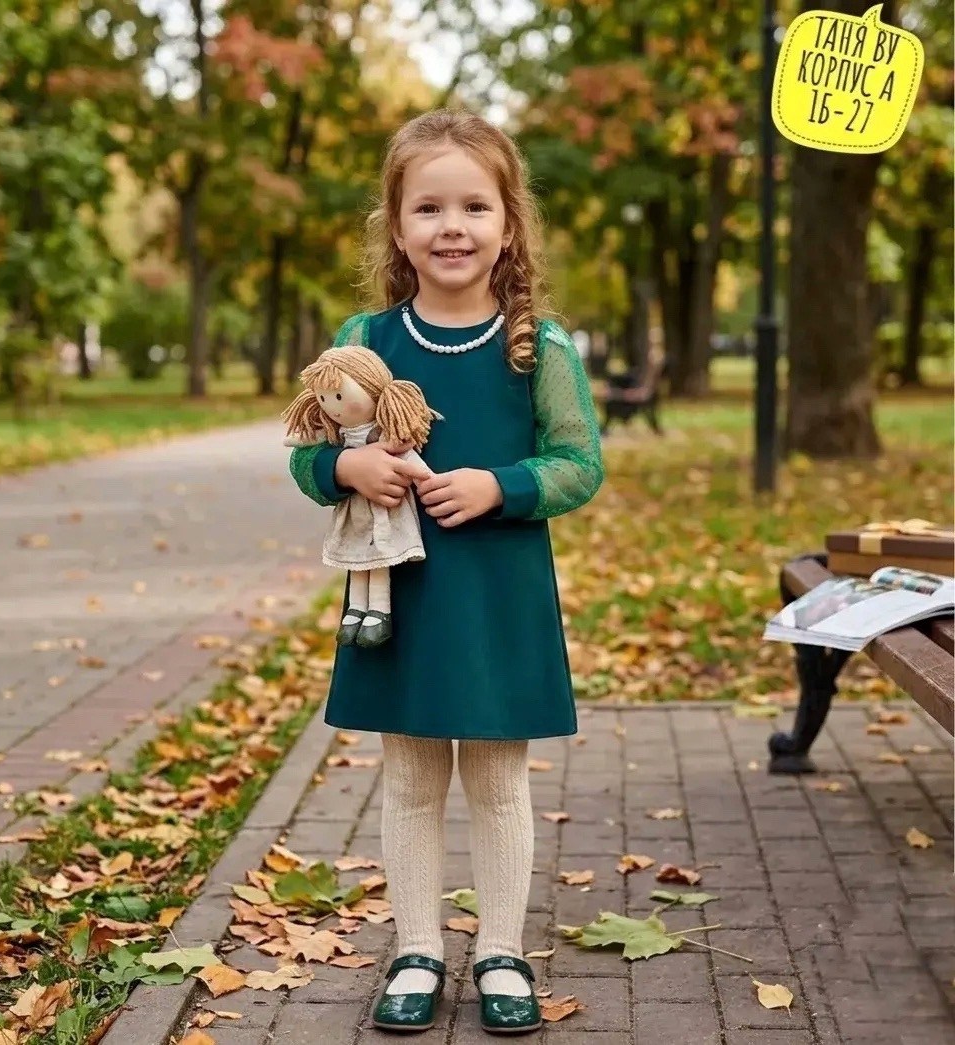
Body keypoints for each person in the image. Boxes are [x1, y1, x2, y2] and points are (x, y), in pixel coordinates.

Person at [288, 108, 604, 1036]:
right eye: (429, 207)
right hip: (405, 596)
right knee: (412, 782)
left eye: (475, 205)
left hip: (499, 590)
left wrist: (499, 484)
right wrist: (348, 467)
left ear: (508, 222)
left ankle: (501, 948)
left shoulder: (537, 346)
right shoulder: (364, 340)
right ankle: (417, 947)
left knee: (500, 783)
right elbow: (306, 453)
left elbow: (579, 463)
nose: (452, 226)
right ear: (398, 226)